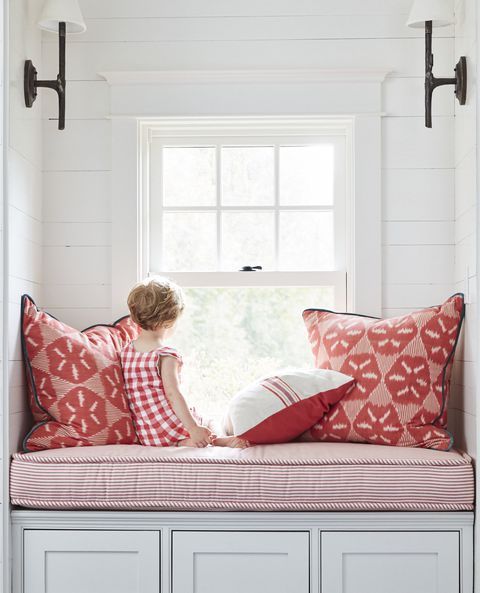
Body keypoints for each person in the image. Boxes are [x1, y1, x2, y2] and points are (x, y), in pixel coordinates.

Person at [121, 277, 249, 448]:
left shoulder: (126, 351)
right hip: (170, 427)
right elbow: (173, 394)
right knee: (209, 422)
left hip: (148, 434)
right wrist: (193, 428)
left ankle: (187, 442)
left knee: (188, 435)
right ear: (170, 321)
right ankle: (218, 440)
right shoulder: (165, 355)